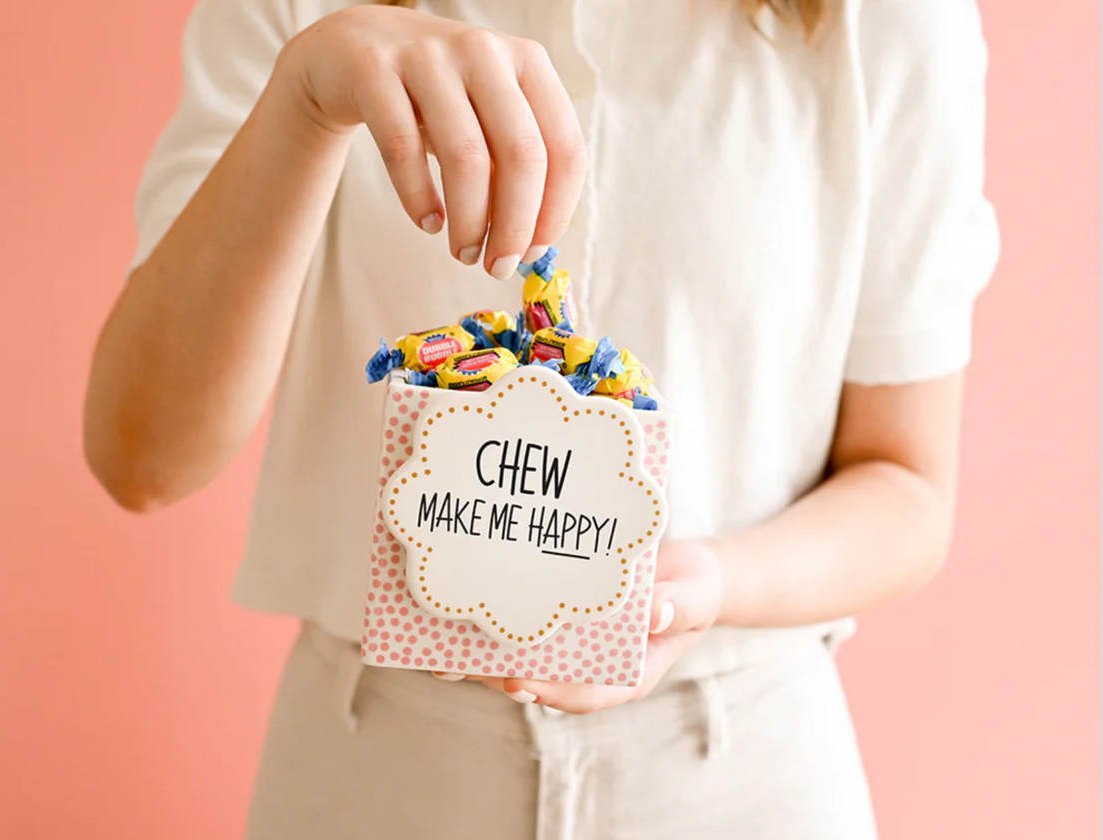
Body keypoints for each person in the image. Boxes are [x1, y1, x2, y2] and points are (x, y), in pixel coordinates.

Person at [83, 0, 998, 837]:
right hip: (372, 768)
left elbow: (908, 484)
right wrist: (303, 104)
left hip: (741, 771)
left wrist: (702, 588)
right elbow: (142, 457)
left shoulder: (885, 19)